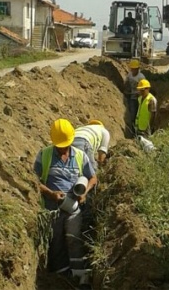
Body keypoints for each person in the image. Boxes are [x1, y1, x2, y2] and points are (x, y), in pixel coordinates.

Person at [33, 118, 97, 278]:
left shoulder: (81, 156)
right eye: (59, 146)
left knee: (73, 238)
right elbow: (33, 181)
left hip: (74, 206)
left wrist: (84, 192)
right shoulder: (44, 155)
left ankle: (77, 272)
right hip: (53, 208)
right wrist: (51, 193)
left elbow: (93, 178)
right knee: (56, 240)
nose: (62, 150)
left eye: (65, 146)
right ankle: (59, 275)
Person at [72, 119, 110, 228]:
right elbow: (102, 154)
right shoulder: (104, 132)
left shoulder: (81, 128)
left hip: (70, 141)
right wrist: (100, 168)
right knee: (92, 176)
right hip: (84, 143)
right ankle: (86, 208)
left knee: (74, 172)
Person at [124, 59, 146, 136]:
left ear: (138, 69)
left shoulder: (141, 77)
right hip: (131, 97)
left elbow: (145, 88)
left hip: (139, 98)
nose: (133, 71)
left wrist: (139, 94)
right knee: (132, 114)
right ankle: (133, 131)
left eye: (134, 69)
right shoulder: (129, 75)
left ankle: (138, 132)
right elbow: (126, 84)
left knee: (137, 114)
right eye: (132, 69)